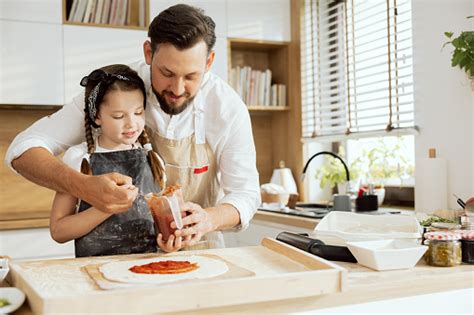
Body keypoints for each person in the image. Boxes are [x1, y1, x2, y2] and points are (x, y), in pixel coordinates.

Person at [5, 4, 260, 250]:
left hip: (201, 255)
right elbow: (22, 149)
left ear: (208, 62)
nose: (178, 89)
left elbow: (246, 194)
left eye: (191, 76)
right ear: (149, 52)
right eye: (167, 73)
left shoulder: (227, 108)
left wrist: (210, 219)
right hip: (123, 260)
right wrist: (83, 186)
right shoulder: (116, 90)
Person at [50, 64, 182, 257]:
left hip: (148, 269)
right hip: (95, 272)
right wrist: (106, 207)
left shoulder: (153, 158)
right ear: (97, 116)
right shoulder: (79, 159)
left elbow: (161, 226)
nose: (131, 124)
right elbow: (58, 231)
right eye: (118, 116)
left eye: (138, 113)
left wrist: (168, 244)